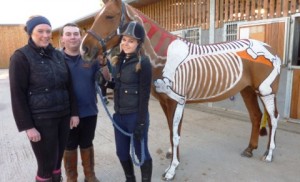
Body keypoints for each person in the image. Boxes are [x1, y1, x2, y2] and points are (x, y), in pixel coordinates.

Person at [9, 16, 79, 182]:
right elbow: (17, 94)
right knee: (46, 165)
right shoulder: (21, 57)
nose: (45, 34)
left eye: (48, 31)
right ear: (31, 33)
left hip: (63, 116)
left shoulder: (57, 55)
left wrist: (74, 113)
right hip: (41, 120)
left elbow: (69, 86)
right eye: (40, 31)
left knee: (56, 162)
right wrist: (28, 126)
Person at [98, 21, 153, 182]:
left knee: (140, 152)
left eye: (131, 41)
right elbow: (120, 86)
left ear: (139, 43)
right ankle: (130, 179)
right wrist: (106, 83)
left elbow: (144, 95)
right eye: (124, 40)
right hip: (119, 116)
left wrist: (141, 123)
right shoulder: (119, 61)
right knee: (121, 152)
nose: (126, 43)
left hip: (135, 116)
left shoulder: (143, 63)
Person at [60, 23, 100, 182]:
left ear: (81, 37)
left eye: (76, 34)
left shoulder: (91, 58)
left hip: (89, 111)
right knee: (69, 146)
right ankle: (72, 178)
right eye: (68, 34)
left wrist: (105, 64)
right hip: (66, 113)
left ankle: (90, 176)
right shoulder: (56, 60)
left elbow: (104, 81)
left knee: (87, 143)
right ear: (62, 39)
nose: (72, 37)